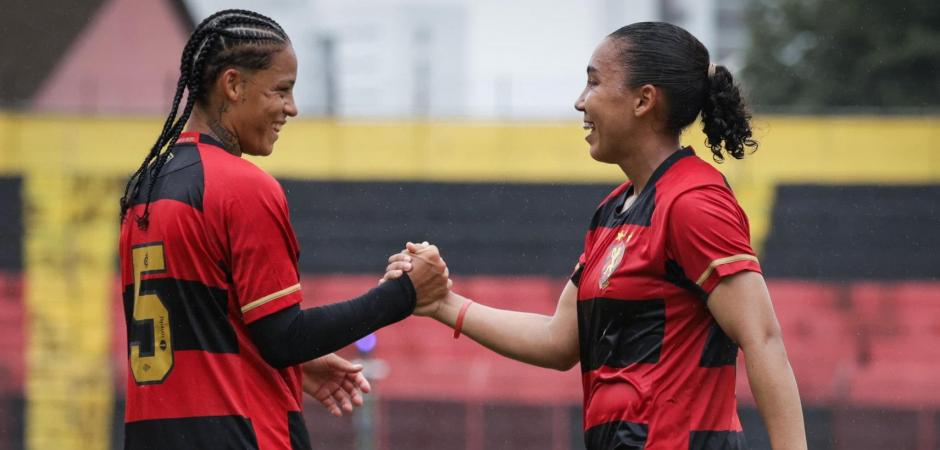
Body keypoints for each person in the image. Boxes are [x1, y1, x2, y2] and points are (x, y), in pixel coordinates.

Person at [385, 22, 806, 450]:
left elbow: (763, 339)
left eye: (594, 82)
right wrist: (442, 303)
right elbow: (558, 340)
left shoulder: (693, 201)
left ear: (644, 100)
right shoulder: (613, 210)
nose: (579, 102)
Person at [117, 9, 448, 450]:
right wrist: (404, 294)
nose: (292, 108)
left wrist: (296, 364)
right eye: (282, 90)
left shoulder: (146, 187)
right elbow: (284, 337)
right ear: (233, 85)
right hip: (242, 435)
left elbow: (200, 326)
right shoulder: (242, 187)